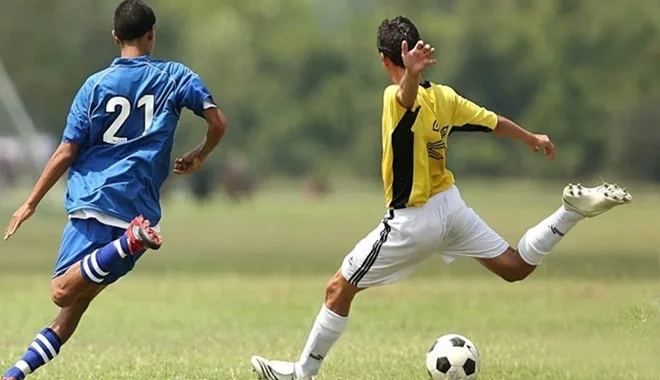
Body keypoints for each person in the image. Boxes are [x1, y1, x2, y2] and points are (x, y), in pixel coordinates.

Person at [250, 16, 631, 380]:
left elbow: (404, 98)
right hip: (451, 206)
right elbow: (492, 121)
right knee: (515, 267)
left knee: (338, 289)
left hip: (413, 220)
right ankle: (568, 212)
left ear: (384, 59)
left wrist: (410, 76)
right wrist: (531, 137)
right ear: (414, 49)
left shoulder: (393, 97)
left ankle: (303, 372)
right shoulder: (445, 97)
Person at [0, 1, 227, 379]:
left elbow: (66, 151)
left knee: (61, 291)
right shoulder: (176, 76)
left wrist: (30, 202)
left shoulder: (95, 86)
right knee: (75, 306)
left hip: (95, 199)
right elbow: (217, 122)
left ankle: (127, 242)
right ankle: (15, 374)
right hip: (139, 206)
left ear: (115, 37)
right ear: (152, 33)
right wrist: (200, 155)